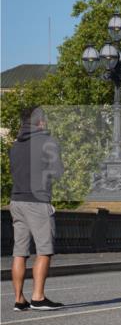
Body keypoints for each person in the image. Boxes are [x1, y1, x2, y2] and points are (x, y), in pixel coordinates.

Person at [10, 107, 64, 311]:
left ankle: (19, 299)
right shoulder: (46, 143)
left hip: (16, 201)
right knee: (44, 250)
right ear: (40, 122)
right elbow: (58, 172)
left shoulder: (15, 145)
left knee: (20, 252)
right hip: (38, 202)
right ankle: (38, 297)